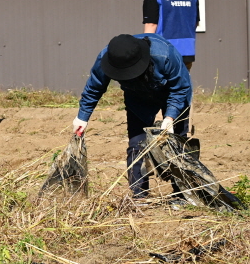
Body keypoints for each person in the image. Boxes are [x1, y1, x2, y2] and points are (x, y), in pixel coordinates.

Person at [72, 33, 192, 199]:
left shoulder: (165, 55)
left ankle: (183, 194)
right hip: (137, 96)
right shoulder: (108, 57)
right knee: (137, 144)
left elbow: (180, 88)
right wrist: (82, 117)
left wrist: (170, 118)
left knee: (178, 142)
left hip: (172, 93)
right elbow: (94, 88)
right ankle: (139, 196)